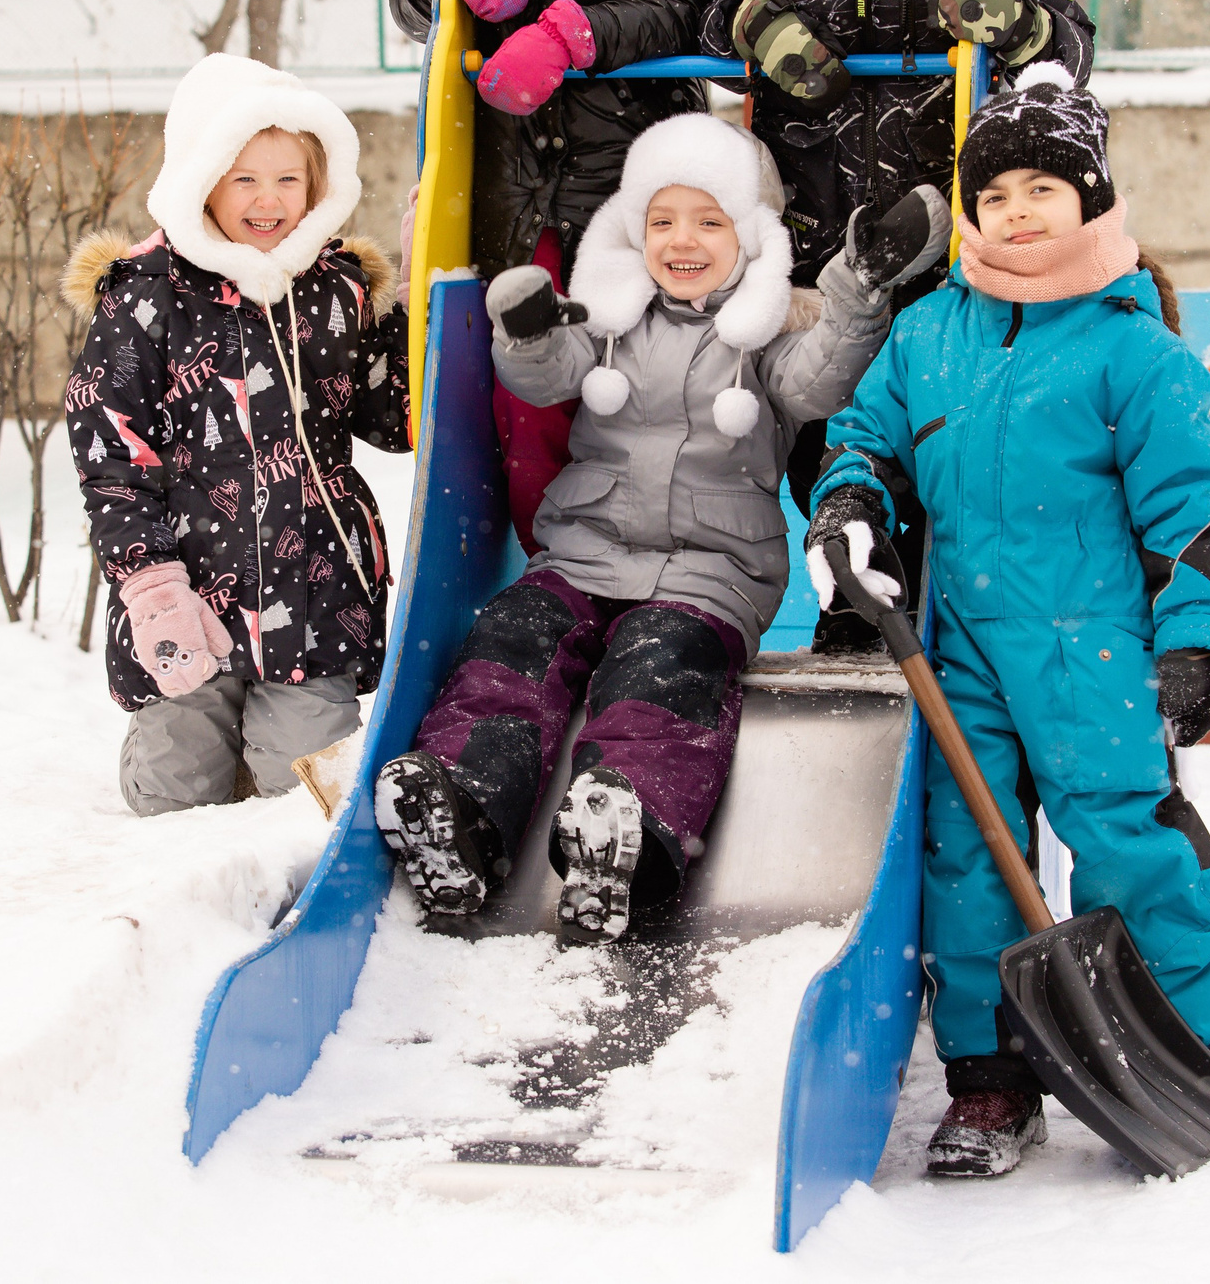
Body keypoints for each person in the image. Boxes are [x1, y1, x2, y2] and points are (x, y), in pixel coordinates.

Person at [806, 65, 1210, 1178]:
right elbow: (861, 437)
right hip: (960, 647)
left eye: (1042, 189)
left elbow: (1188, 513)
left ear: (1092, 199)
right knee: (967, 857)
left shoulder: (1130, 349)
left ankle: (1203, 1051)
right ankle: (994, 1081)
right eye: (995, 191)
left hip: (1092, 649)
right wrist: (852, 506)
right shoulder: (929, 335)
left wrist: (1196, 640)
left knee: (1129, 843)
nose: (1014, 211)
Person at [371, 115, 948, 944]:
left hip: (709, 571)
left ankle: (625, 835)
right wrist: (526, 328)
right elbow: (542, 374)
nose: (685, 240)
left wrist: (858, 287)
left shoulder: (767, 336)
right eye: (664, 220)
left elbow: (823, 380)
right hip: (583, 549)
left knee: (662, 672)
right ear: (634, 230)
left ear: (750, 237)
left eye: (711, 222)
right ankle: (463, 809)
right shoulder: (608, 319)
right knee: (513, 641)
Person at [700, 0, 1095, 650]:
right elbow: (711, 8)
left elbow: (1071, 46)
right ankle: (854, 591)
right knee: (816, 426)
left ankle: (916, 599)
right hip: (813, 240)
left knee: (927, 430)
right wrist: (761, 25)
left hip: (943, 244)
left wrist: (1021, 22)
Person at [388, 0, 723, 554]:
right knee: (528, 385)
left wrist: (573, 33)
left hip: (624, 190)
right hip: (512, 188)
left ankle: (645, 546)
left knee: (627, 378)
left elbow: (681, 10)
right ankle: (550, 556)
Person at [62, 54, 410, 816]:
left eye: (289, 179)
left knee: (308, 793)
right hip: (189, 592)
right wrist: (151, 585)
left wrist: (424, 292)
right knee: (176, 796)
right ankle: (186, 748)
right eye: (244, 178)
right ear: (201, 178)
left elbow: (395, 417)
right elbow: (111, 456)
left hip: (313, 596)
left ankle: (271, 747)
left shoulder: (336, 290)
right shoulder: (145, 299)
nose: (268, 200)